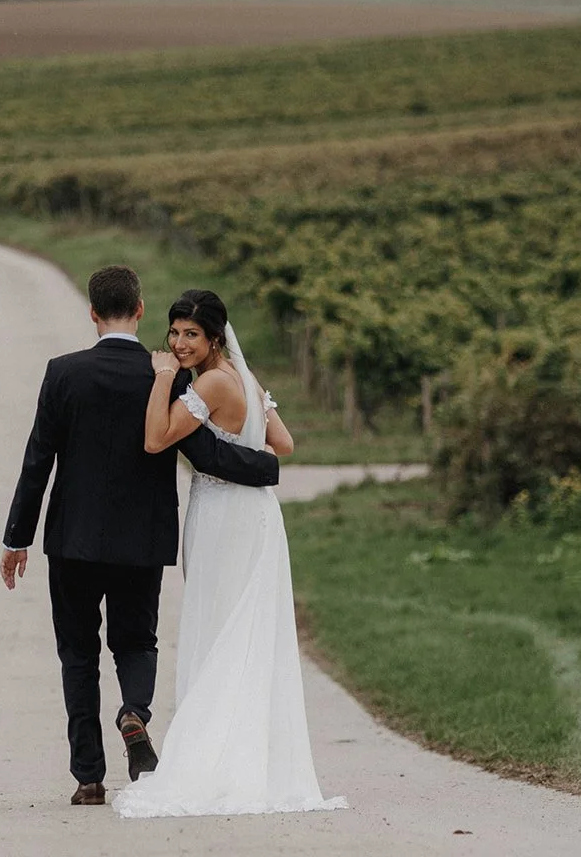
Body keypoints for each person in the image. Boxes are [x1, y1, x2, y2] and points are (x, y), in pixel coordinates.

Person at [0, 265, 279, 807]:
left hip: (72, 541)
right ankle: (135, 713)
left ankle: (88, 776)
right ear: (142, 310)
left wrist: (17, 539)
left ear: (92, 312)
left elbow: (38, 461)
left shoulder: (62, 372)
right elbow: (206, 453)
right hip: (141, 540)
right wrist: (266, 470)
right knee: (137, 642)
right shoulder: (168, 376)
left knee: (78, 655)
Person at [112, 287, 348, 819]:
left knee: (216, 627)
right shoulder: (244, 377)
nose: (179, 343)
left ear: (215, 337)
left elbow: (156, 439)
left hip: (222, 517)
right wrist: (244, 444)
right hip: (257, 516)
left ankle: (212, 758)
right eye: (173, 333)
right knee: (242, 629)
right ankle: (249, 754)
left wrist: (161, 378)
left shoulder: (213, 382)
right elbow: (281, 444)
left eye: (190, 334)